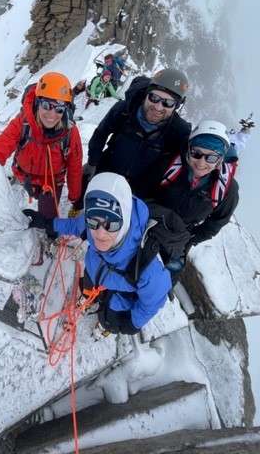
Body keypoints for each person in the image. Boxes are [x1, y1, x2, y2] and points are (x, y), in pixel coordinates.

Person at [24, 172, 173, 336]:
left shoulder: (148, 268)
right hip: (96, 269)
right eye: (93, 222)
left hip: (121, 292)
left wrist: (133, 323)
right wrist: (47, 223)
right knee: (86, 285)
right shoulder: (93, 222)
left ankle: (104, 325)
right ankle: (89, 298)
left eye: (111, 224)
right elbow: (76, 226)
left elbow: (153, 301)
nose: (100, 234)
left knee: (109, 320)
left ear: (124, 222)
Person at [137, 120, 240, 282]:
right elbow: (141, 191)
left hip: (180, 238)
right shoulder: (169, 167)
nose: (201, 163)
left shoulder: (227, 190)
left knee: (166, 280)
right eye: (196, 154)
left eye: (211, 158)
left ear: (220, 160)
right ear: (189, 150)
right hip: (148, 222)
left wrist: (190, 240)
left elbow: (217, 222)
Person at [0, 72, 83, 219]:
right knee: (34, 195)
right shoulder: (23, 123)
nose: (52, 114)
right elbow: (0, 147)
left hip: (51, 182)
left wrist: (75, 197)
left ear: (66, 111)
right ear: (37, 103)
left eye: (59, 109)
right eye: (46, 105)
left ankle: (49, 233)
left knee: (47, 217)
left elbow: (74, 165)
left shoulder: (70, 133)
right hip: (25, 177)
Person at [83, 68, 191, 195]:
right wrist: (92, 162)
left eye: (168, 103)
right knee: (85, 184)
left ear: (176, 107)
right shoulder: (124, 110)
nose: (158, 107)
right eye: (154, 97)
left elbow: (194, 159)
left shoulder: (178, 130)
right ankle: (78, 207)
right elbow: (101, 133)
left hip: (139, 187)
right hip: (108, 169)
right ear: (146, 94)